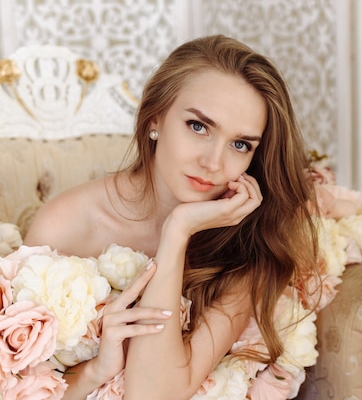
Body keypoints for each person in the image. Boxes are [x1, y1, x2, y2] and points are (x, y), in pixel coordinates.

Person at [24, 34, 319, 400]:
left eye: (240, 144)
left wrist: (177, 231)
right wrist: (95, 371)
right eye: (198, 126)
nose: (213, 162)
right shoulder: (64, 225)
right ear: (156, 118)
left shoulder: (244, 247)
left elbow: (156, 395)